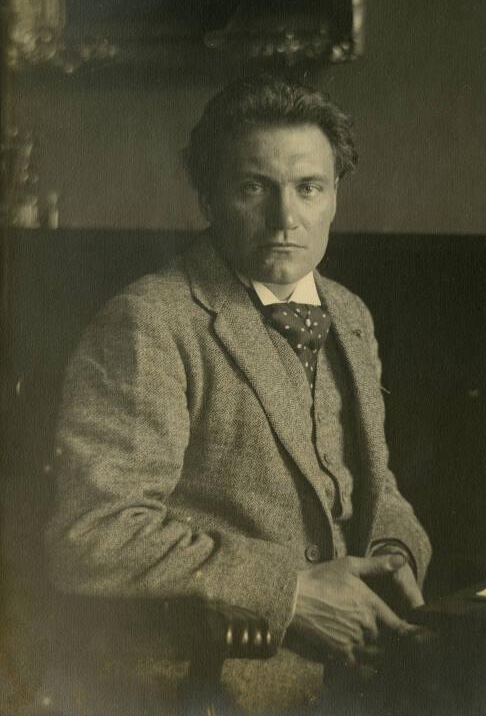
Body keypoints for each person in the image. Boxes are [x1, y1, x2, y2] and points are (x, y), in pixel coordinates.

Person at [46, 75, 432, 714]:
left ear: (335, 197)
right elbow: (94, 534)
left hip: (360, 670)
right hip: (212, 679)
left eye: (308, 188)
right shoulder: (150, 322)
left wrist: (393, 558)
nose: (285, 219)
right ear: (208, 198)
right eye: (254, 188)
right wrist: (292, 593)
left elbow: (375, 485)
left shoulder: (350, 314)